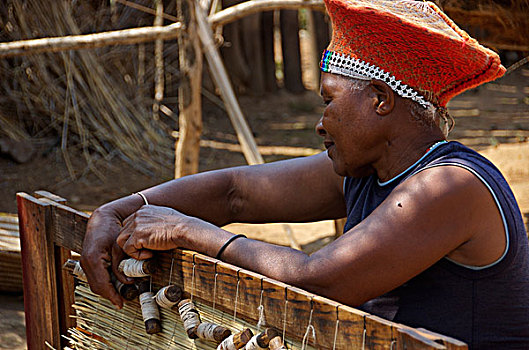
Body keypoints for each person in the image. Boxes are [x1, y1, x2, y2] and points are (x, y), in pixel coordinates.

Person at [81, 0, 529, 348]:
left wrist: (187, 230)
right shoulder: (368, 170)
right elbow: (235, 192)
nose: (320, 123)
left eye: (328, 101)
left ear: (380, 101)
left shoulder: (451, 185)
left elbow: (319, 279)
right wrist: (116, 212)